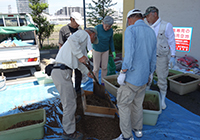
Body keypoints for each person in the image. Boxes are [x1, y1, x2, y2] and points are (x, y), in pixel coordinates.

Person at [113, 9, 157, 140]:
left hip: (132, 78)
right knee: (138, 104)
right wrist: (150, 73)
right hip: (144, 77)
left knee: (124, 105)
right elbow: (153, 57)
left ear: (129, 19)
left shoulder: (131, 30)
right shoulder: (151, 31)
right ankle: (138, 130)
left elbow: (129, 54)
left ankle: (127, 136)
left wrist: (123, 72)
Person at [51, 27, 98, 140]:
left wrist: (87, 72)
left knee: (71, 97)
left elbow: (79, 62)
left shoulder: (79, 45)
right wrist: (81, 56)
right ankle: (68, 132)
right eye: (93, 39)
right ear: (92, 34)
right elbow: (72, 41)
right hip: (61, 72)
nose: (91, 42)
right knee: (69, 103)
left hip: (62, 72)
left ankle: (71, 118)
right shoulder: (83, 34)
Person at [143, 6, 176, 110]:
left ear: (155, 14)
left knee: (162, 78)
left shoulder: (166, 26)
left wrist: (173, 56)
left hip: (161, 57)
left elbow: (172, 41)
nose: (147, 19)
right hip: (150, 57)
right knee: (148, 77)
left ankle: (162, 100)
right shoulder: (149, 27)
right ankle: (146, 96)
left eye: (148, 16)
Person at [58, 12, 83, 94]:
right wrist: (61, 59)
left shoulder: (79, 30)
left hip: (77, 55)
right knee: (68, 74)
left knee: (78, 73)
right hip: (67, 57)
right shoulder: (64, 30)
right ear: (72, 20)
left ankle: (77, 90)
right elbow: (61, 45)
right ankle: (69, 91)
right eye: (76, 22)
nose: (78, 25)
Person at [90, 15, 116, 85]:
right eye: (106, 26)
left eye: (109, 26)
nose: (107, 28)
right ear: (103, 23)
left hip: (105, 50)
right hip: (97, 50)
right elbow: (92, 39)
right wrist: (90, 50)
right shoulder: (97, 28)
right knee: (96, 68)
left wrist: (113, 50)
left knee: (104, 67)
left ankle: (103, 82)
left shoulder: (110, 31)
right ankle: (95, 82)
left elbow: (111, 41)